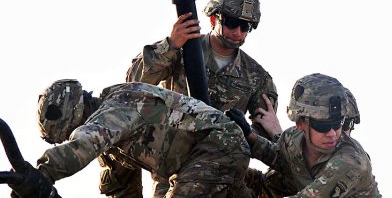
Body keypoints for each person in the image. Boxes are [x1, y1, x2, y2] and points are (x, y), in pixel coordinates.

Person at [123, 0, 279, 196]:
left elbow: (262, 132)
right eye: (232, 23)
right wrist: (170, 45)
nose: (238, 32)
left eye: (246, 27)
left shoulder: (257, 78)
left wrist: (241, 132)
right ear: (214, 19)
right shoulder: (182, 50)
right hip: (171, 167)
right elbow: (134, 82)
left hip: (221, 174)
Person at [9, 79, 251, 198]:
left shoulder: (119, 104)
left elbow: (85, 144)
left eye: (68, 135)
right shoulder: (111, 143)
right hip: (194, 165)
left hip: (218, 144)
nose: (70, 138)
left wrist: (42, 174)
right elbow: (121, 188)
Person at [226, 73, 381, 197]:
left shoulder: (350, 162)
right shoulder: (292, 139)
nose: (333, 133)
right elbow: (279, 158)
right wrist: (248, 135)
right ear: (300, 124)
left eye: (338, 123)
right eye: (323, 126)